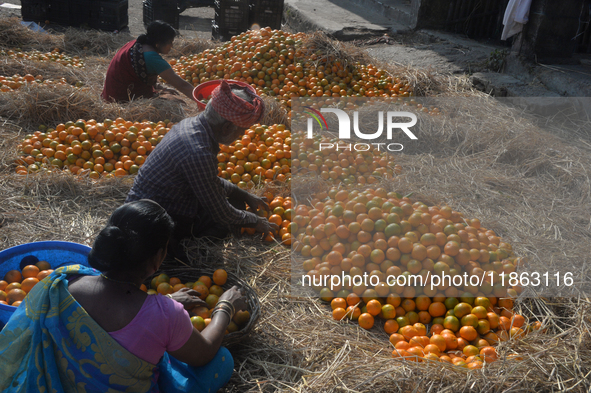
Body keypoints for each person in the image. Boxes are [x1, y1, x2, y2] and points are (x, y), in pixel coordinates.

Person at [0, 200, 247, 392]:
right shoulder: (165, 317)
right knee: (221, 360)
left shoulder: (63, 283)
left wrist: (168, 305)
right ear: (158, 258)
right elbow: (203, 353)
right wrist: (224, 307)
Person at [126, 80, 279, 250]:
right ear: (227, 127)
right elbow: (221, 212)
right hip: (151, 227)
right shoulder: (199, 152)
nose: (242, 135)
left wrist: (245, 194)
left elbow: (208, 181)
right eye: (241, 130)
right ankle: (186, 250)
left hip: (143, 208)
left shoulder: (192, 125)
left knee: (238, 201)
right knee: (230, 216)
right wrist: (256, 221)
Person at [102, 20, 195, 102]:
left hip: (110, 94)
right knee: (178, 102)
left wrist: (162, 88)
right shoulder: (153, 58)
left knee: (171, 96)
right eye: (170, 42)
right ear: (158, 44)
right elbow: (182, 85)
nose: (172, 46)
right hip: (121, 100)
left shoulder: (139, 43)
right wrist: (202, 101)